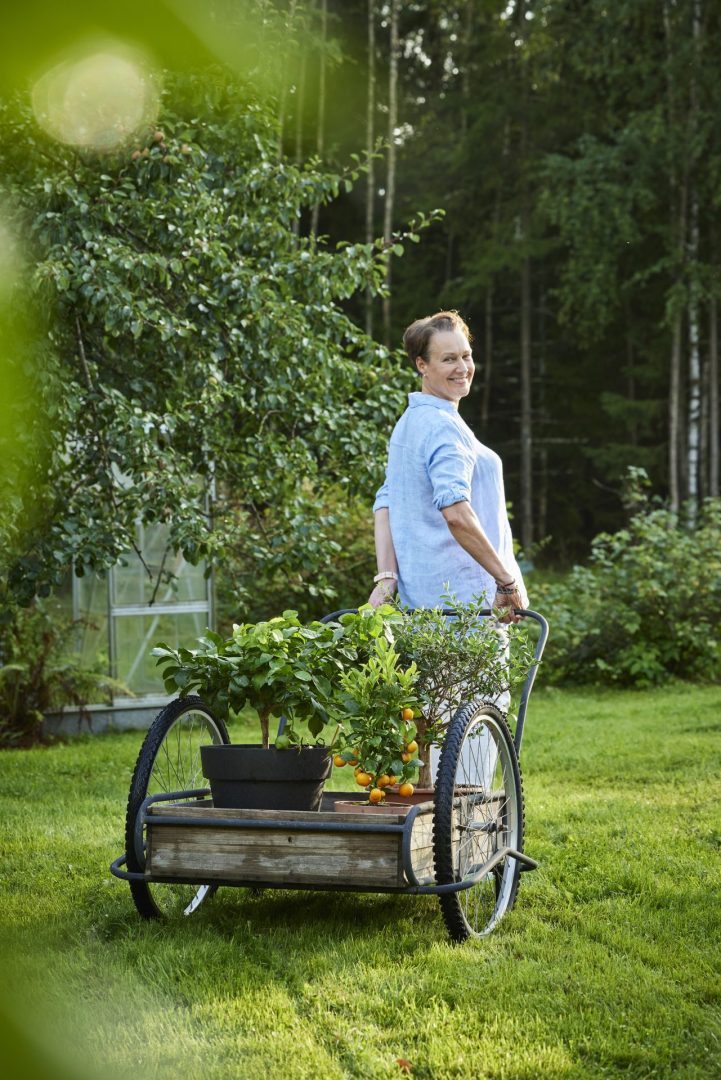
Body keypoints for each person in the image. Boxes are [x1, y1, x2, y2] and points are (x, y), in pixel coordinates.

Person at [368, 310, 527, 619]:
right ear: (422, 365)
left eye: (466, 356)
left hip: (429, 613)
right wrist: (506, 582)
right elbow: (455, 513)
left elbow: (386, 501)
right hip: (469, 610)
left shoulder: (410, 422)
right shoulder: (441, 426)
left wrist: (387, 577)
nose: (462, 368)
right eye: (449, 359)